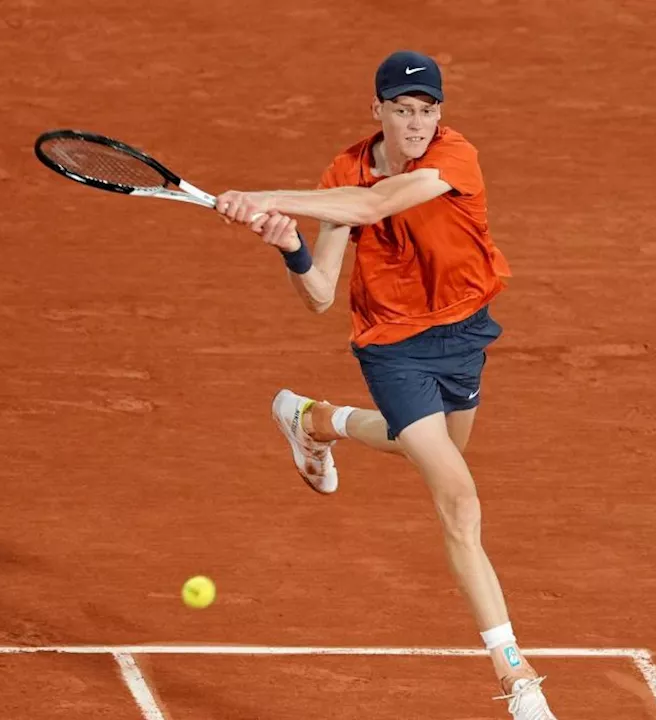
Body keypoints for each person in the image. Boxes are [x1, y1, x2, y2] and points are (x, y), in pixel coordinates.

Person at [214, 50, 558, 719]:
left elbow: (376, 204)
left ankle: (314, 421)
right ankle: (519, 680)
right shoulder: (343, 174)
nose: (416, 125)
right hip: (394, 349)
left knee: (426, 449)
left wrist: (265, 199)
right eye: (402, 111)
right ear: (377, 111)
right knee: (458, 499)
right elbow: (318, 294)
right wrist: (290, 246)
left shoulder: (454, 158)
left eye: (427, 111)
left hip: (464, 336)